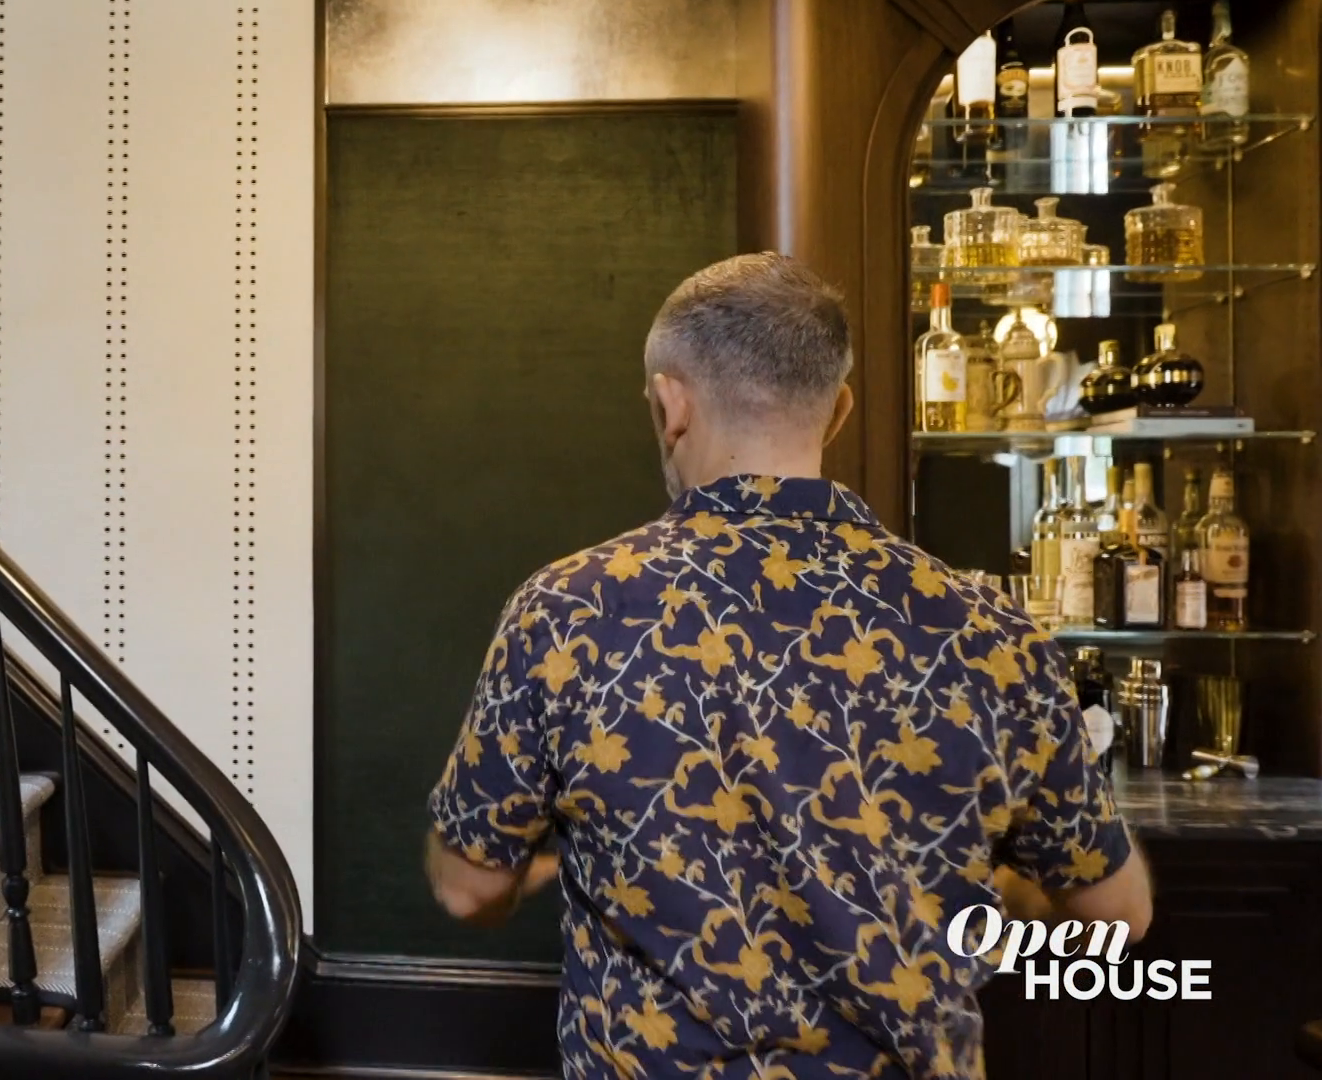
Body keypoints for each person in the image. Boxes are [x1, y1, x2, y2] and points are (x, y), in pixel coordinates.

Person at [423, 253, 1150, 1079]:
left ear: (670, 403)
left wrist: (567, 864)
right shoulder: (994, 633)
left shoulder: (569, 612)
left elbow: (467, 888)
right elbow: (1116, 916)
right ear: (837, 411)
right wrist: (973, 896)